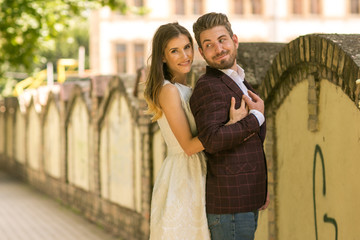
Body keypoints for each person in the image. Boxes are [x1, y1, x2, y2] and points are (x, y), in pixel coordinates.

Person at [144, 22, 248, 240]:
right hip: (184, 175)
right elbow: (189, 147)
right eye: (174, 51)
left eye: (187, 47)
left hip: (199, 171)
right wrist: (230, 125)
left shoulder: (189, 89)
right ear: (163, 57)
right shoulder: (168, 91)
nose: (185, 55)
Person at [190, 12, 270, 240]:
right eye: (209, 45)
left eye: (222, 40)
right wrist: (255, 118)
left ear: (234, 40)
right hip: (229, 207)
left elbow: (249, 146)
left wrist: (260, 190)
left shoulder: (240, 80)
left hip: (246, 198)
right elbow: (212, 140)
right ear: (202, 52)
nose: (218, 49)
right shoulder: (209, 86)